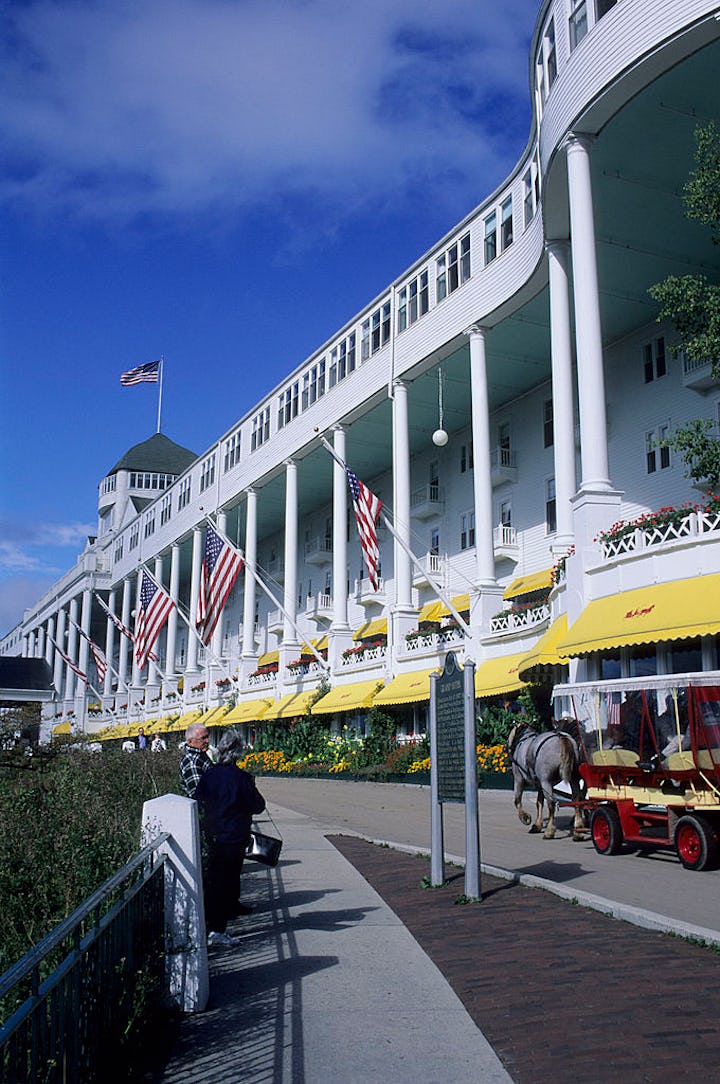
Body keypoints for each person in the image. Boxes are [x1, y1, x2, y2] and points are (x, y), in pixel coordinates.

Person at [195, 729, 266, 948]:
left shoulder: (209, 775)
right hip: (234, 835)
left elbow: (198, 798)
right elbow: (258, 806)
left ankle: (211, 924)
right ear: (236, 753)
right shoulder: (241, 778)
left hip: (213, 833)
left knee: (216, 879)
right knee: (227, 880)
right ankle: (217, 929)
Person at [179, 722, 212, 798]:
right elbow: (198, 795)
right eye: (203, 738)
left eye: (207, 737)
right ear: (190, 741)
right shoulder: (192, 762)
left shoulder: (199, 755)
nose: (207, 741)